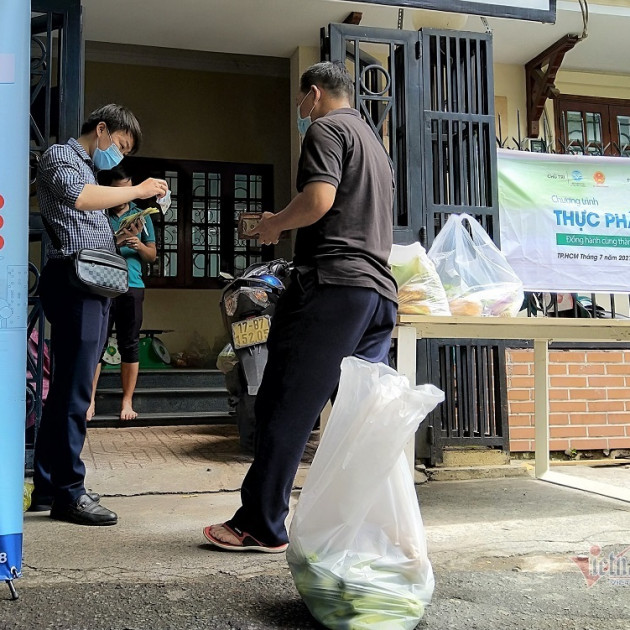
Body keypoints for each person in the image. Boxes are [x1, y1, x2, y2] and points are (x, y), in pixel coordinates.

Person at [203, 62, 398, 552]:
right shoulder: (375, 145)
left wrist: (273, 226)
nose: (299, 111)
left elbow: (318, 201)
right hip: (377, 296)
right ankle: (362, 530)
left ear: (314, 94)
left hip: (332, 287)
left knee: (284, 404)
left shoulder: (326, 129)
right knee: (356, 416)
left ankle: (260, 524)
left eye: (298, 102)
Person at [31, 104, 169, 526]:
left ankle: (48, 487)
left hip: (91, 281)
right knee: (74, 392)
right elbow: (80, 198)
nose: (120, 157)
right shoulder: (61, 157)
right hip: (75, 282)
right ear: (103, 129)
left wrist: (118, 234)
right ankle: (70, 493)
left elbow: (83, 221)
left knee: (66, 392)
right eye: (121, 146)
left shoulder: (89, 170)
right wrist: (138, 190)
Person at [87, 167, 157, 422]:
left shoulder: (142, 216)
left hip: (132, 285)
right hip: (103, 285)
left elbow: (152, 255)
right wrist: (116, 241)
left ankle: (127, 401)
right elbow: (88, 252)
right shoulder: (98, 214)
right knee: (97, 342)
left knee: (130, 343)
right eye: (118, 191)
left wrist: (138, 245)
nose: (124, 197)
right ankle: (89, 400)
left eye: (127, 189)